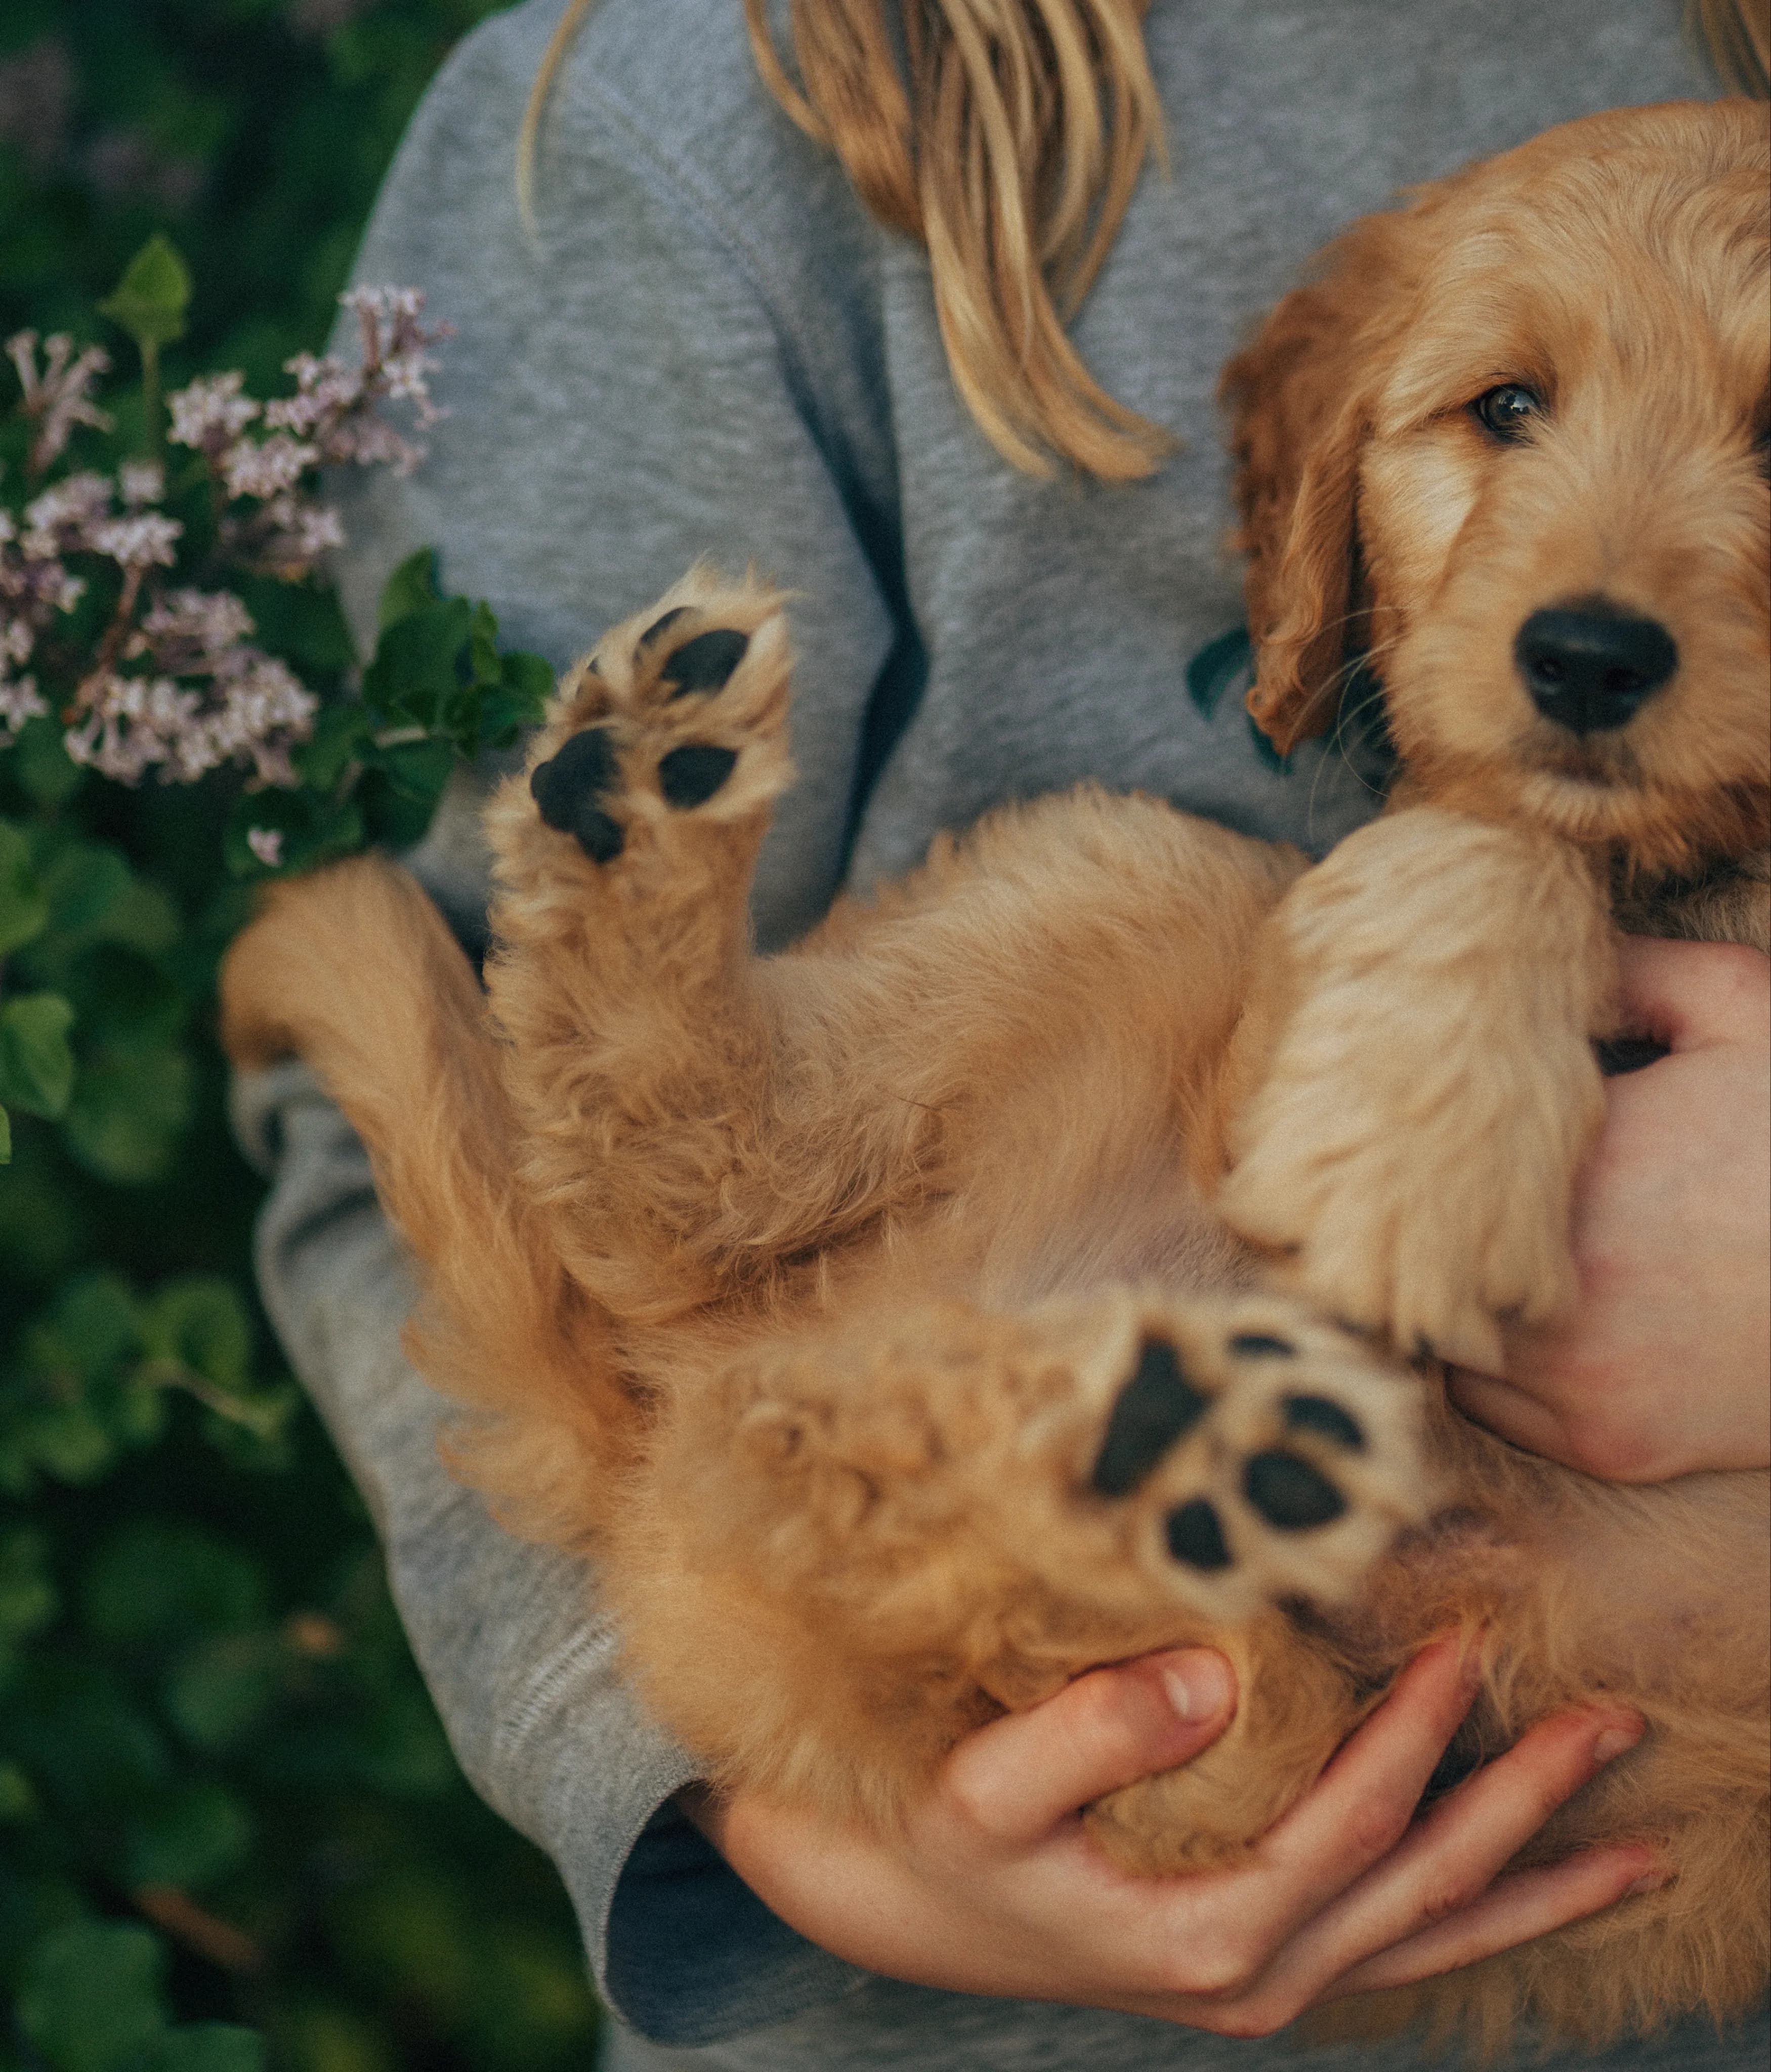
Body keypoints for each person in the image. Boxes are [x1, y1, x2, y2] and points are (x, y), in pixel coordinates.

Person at [232, 2, 1771, 2066]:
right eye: (1497, 406)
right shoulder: (700, 118)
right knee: (1174, 911)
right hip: (965, 1846)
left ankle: (982, 1512)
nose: (1602, 587)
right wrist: (759, 1818)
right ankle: (713, 1163)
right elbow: (391, 1167)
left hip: (1629, 1782)